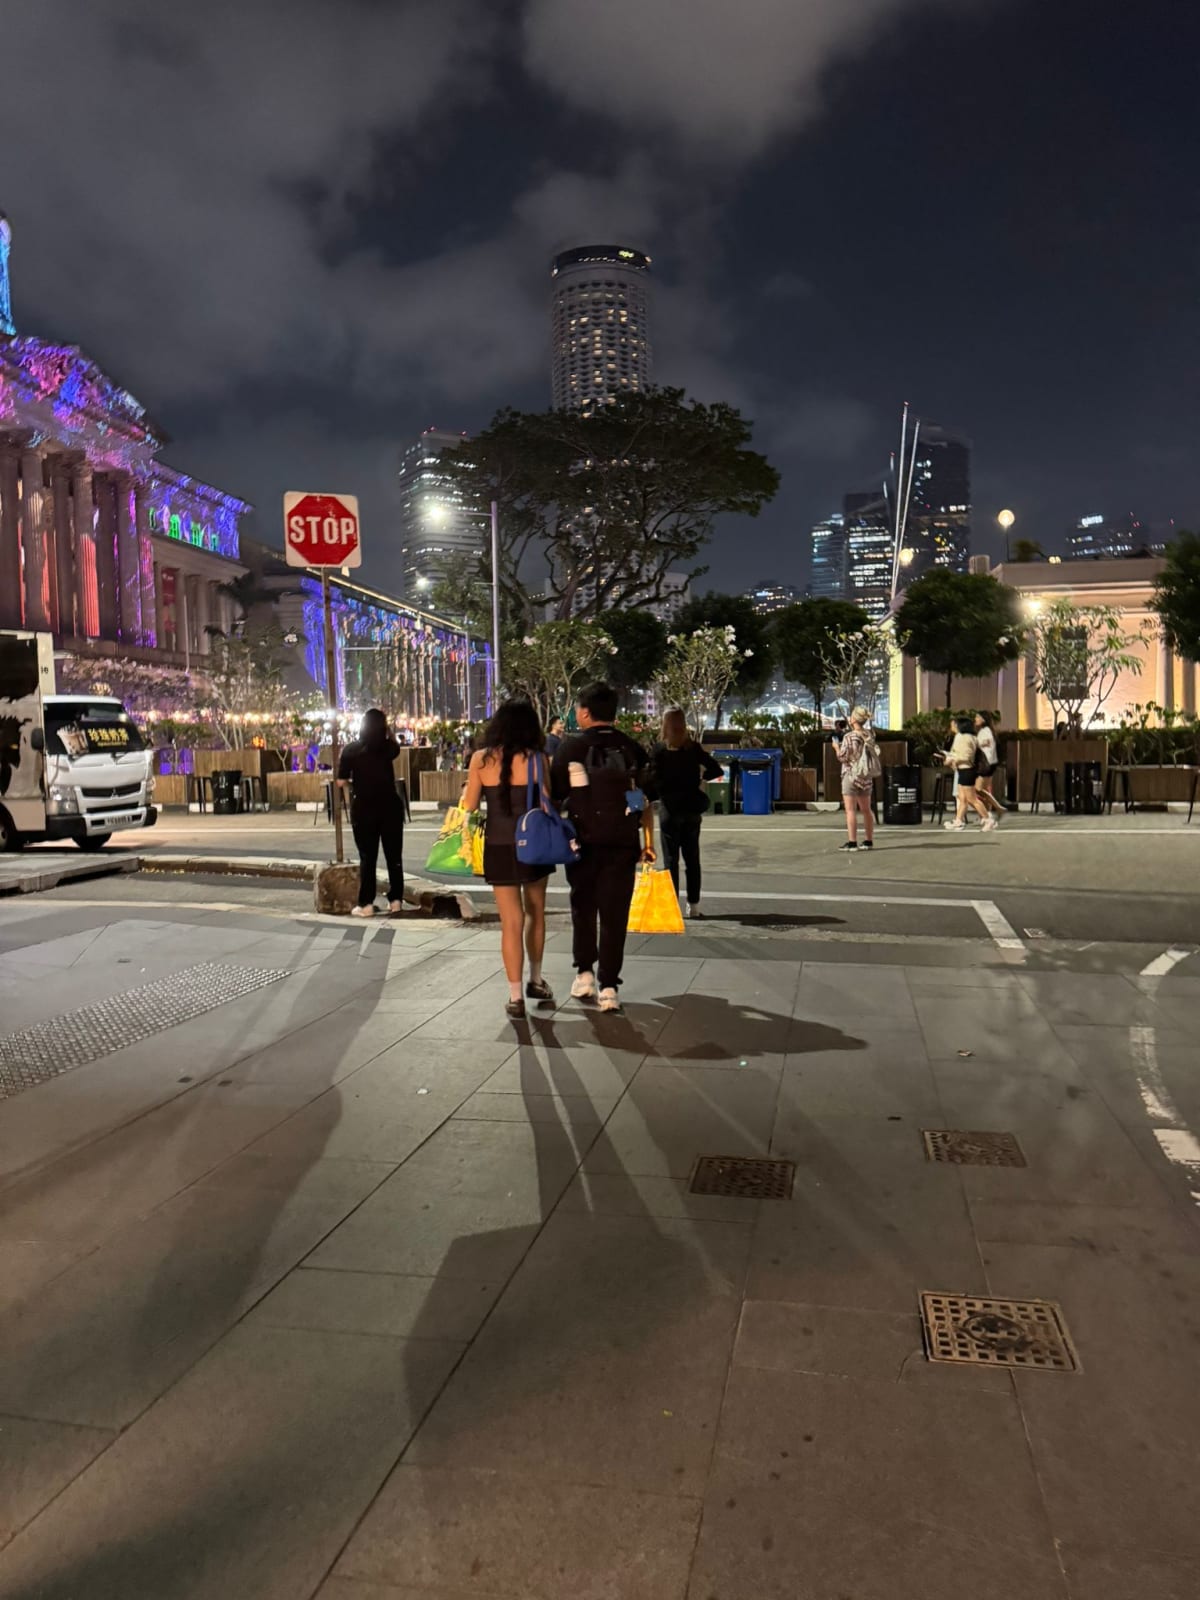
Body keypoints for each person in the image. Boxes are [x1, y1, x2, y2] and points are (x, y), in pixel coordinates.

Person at [551, 682, 655, 1014]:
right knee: (615, 914)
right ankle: (609, 986)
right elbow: (641, 796)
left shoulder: (570, 748)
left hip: (581, 842)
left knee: (583, 907)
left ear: (584, 712)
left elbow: (555, 792)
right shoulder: (632, 748)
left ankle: (584, 974)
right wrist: (644, 838)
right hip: (622, 842)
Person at [460, 700, 555, 1020]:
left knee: (510, 921)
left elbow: (470, 806)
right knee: (535, 913)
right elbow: (548, 801)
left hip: (498, 846)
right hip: (535, 845)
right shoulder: (538, 759)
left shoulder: (480, 759)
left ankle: (515, 996)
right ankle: (536, 980)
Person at [648, 708, 724, 916]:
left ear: (665, 725)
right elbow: (716, 769)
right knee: (692, 860)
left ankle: (672, 907)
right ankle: (694, 906)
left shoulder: (659, 750)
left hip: (669, 810)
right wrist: (700, 778)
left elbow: (652, 780)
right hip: (691, 808)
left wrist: (658, 793)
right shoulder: (693, 748)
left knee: (670, 861)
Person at [337, 708, 405, 916]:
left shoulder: (350, 750)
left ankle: (366, 904)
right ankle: (396, 901)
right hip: (390, 807)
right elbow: (394, 744)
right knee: (394, 857)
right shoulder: (389, 748)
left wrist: (356, 782)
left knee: (368, 857)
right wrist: (387, 730)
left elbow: (340, 781)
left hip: (364, 809)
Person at [833, 706, 880, 850]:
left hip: (851, 775)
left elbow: (843, 757)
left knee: (851, 810)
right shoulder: (869, 735)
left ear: (853, 719)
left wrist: (836, 747)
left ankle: (852, 842)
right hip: (866, 776)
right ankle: (868, 841)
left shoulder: (849, 737)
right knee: (866, 810)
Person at [940, 716, 994, 831]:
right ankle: (958, 821)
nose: (953, 726)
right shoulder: (971, 737)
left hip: (966, 770)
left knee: (972, 799)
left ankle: (988, 820)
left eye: (956, 724)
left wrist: (952, 759)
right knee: (962, 799)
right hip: (964, 770)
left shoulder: (965, 738)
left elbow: (966, 756)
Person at [973, 712, 1005, 817]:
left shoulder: (985, 731)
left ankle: (997, 808)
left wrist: (974, 744)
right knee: (985, 790)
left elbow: (986, 742)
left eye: (978, 717)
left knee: (978, 789)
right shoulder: (987, 730)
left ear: (983, 719)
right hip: (990, 763)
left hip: (985, 764)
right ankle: (987, 814)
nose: (975, 719)